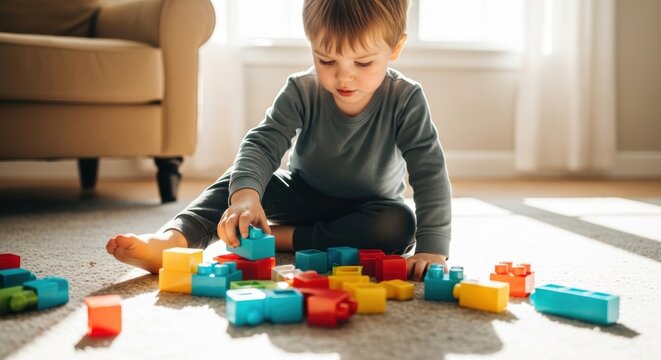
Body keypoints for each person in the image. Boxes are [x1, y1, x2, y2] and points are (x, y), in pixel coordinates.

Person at [106, 0, 452, 281]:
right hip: (300, 193)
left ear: (396, 48)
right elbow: (262, 143)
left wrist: (432, 248)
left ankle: (282, 236)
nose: (344, 75)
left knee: (399, 225)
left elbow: (429, 171)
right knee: (240, 181)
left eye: (362, 62)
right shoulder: (301, 89)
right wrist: (245, 198)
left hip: (369, 207)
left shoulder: (405, 99)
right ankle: (174, 240)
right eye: (325, 59)